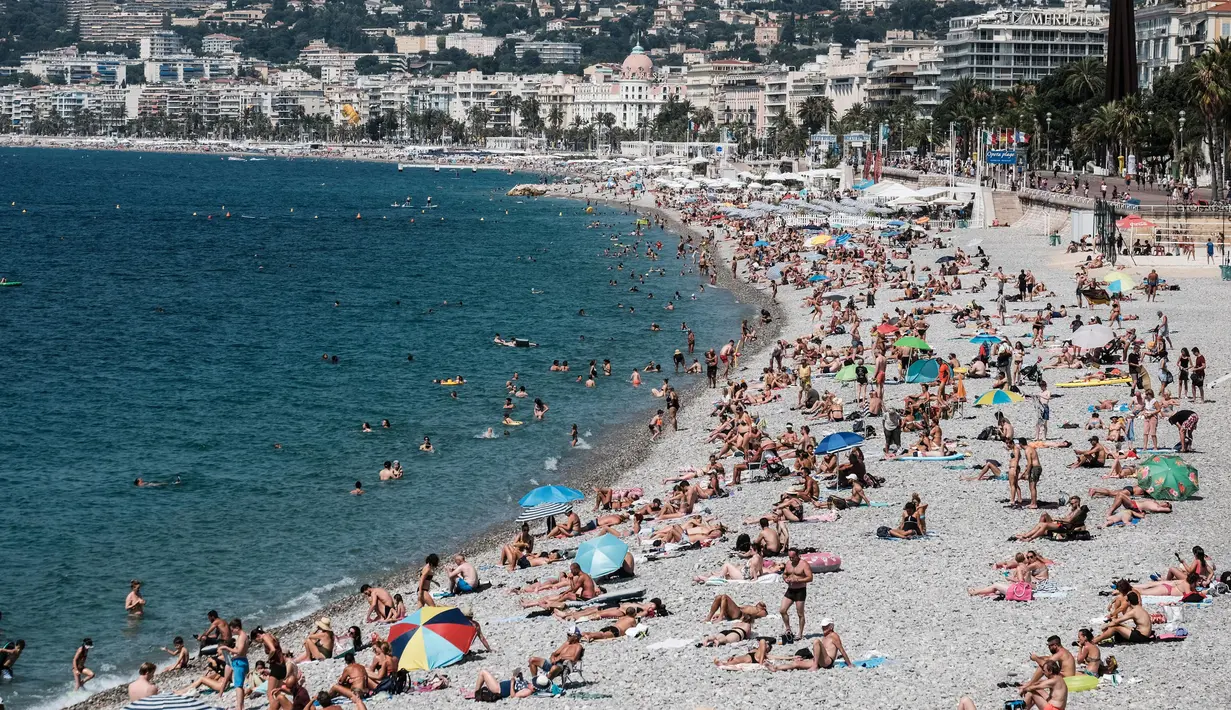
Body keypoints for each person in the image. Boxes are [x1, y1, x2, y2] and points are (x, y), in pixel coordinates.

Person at [767, 618, 853, 671]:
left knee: (816, 641)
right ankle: (776, 668)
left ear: (831, 627)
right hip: (819, 660)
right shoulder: (825, 636)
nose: (823, 628)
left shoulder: (834, 636)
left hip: (827, 662)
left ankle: (815, 666)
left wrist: (849, 664)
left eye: (826, 626)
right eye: (823, 626)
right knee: (797, 663)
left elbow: (842, 650)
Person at [779, 548, 813, 642]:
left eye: (793, 557)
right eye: (790, 557)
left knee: (800, 613)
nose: (791, 559)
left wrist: (798, 580)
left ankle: (800, 633)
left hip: (800, 591)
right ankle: (788, 629)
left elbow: (810, 578)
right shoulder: (788, 563)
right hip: (790, 590)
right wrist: (785, 579)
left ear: (798, 555)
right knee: (782, 610)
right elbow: (785, 574)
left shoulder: (804, 564)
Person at [220, 619, 249, 710]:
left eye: (232, 630)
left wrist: (227, 648)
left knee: (238, 686)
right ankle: (241, 706)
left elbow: (239, 651)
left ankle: (239, 707)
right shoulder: (243, 636)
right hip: (241, 661)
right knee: (239, 685)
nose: (231, 632)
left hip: (240, 663)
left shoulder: (242, 637)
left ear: (237, 628)